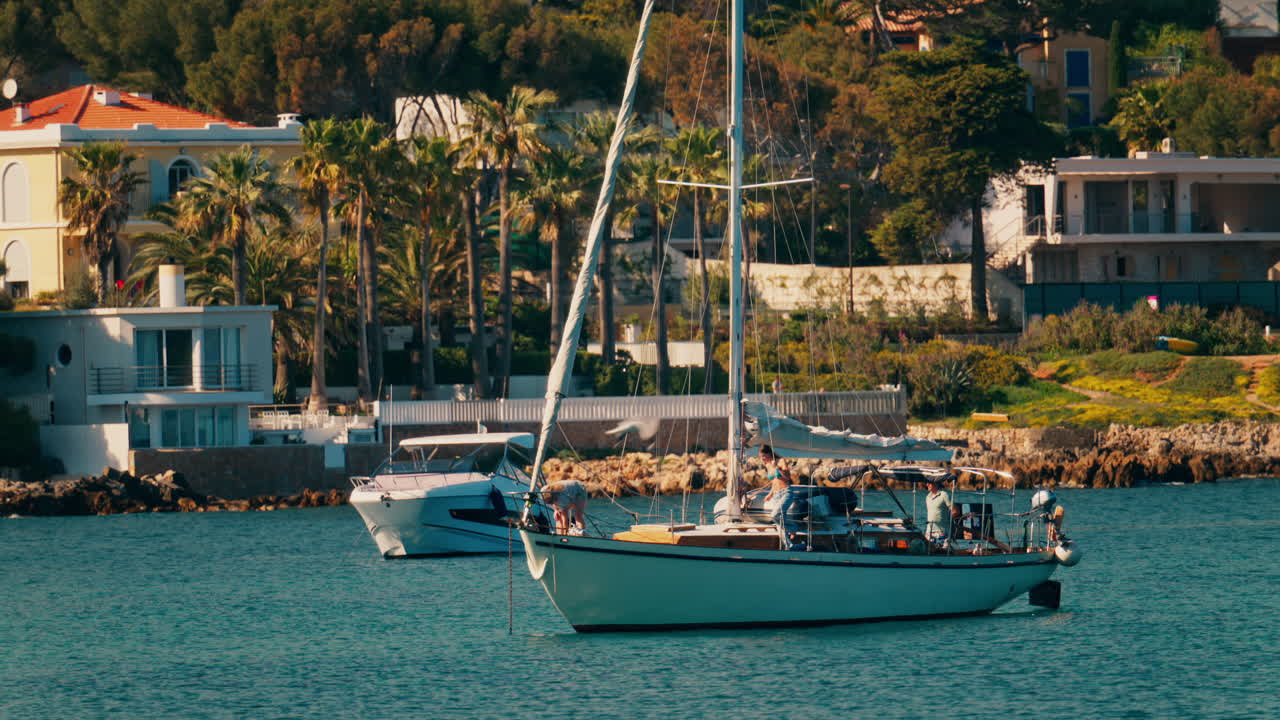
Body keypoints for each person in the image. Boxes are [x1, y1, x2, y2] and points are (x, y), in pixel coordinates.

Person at [760, 445, 800, 549]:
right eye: (761, 457)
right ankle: (789, 546)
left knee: (775, 515)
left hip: (786, 492)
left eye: (764, 456)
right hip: (776, 496)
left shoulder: (781, 461)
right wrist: (770, 494)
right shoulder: (767, 465)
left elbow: (787, 477)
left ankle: (793, 527)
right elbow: (774, 482)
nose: (762, 459)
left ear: (769, 454)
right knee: (779, 522)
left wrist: (776, 468)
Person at [924, 477, 953, 544]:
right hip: (929, 532)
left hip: (941, 532)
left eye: (929, 483)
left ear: (936, 484)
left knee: (941, 551)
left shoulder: (944, 495)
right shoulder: (927, 497)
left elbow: (954, 510)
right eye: (927, 483)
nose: (927, 485)